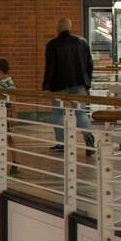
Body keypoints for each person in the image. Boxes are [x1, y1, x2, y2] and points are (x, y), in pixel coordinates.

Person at [42, 18, 95, 153]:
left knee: (58, 113)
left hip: (58, 85)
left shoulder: (52, 45)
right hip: (79, 83)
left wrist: (46, 86)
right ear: (70, 27)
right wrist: (88, 82)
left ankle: (62, 143)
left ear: (58, 28)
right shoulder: (82, 42)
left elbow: (50, 67)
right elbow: (90, 63)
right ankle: (88, 138)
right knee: (81, 113)